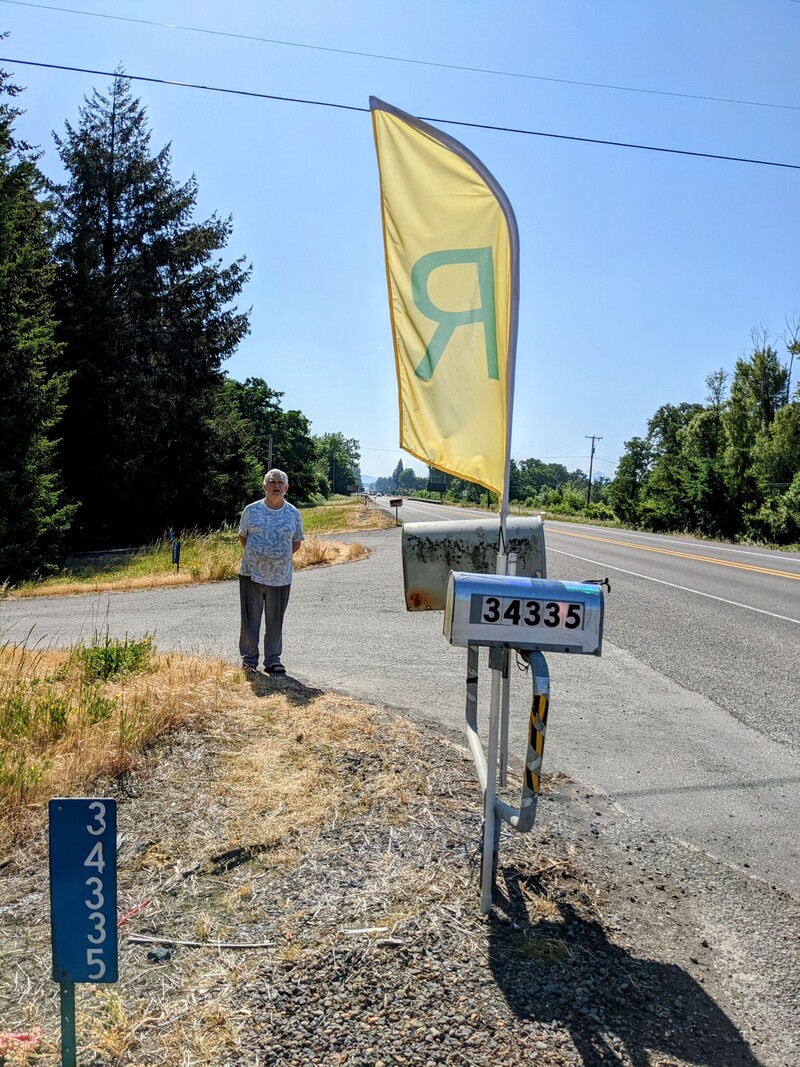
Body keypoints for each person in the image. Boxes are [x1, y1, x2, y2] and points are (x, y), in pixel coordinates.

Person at [238, 469, 304, 676]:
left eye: (280, 482)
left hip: (281, 576)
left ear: (286, 487)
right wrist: (260, 556)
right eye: (272, 482)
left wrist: (276, 559)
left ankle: (273, 660)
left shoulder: (293, 513)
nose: (276, 485)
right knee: (250, 620)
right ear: (264, 486)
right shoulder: (251, 510)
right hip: (252, 573)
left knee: (275, 621)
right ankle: (249, 660)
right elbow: (243, 538)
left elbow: (296, 542)